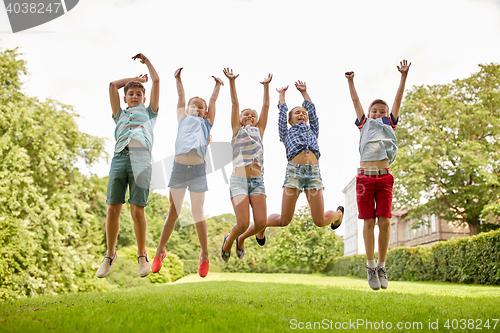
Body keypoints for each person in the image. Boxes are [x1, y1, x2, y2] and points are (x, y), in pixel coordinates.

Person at [345, 59, 411, 290]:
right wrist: (350, 81)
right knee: (368, 221)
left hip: (384, 178)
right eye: (375, 111)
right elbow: (355, 101)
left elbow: (398, 99)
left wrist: (403, 77)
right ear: (369, 113)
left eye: (382, 111)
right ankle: (370, 265)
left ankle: (382, 265)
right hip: (364, 177)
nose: (378, 113)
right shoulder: (364, 123)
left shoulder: (389, 124)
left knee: (384, 221)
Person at [151, 67, 223, 278]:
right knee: (173, 211)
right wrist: (178, 78)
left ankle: (205, 254)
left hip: (198, 170)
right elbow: (181, 96)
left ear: (205, 112)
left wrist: (217, 86)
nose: (197, 109)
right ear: (187, 109)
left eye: (201, 108)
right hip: (179, 168)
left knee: (197, 213)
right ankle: (159, 251)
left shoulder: (206, 123)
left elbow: (213, 102)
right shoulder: (182, 118)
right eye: (194, 106)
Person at [256, 81, 343, 244]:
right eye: (297, 113)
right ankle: (261, 226)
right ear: (290, 120)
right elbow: (282, 113)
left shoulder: (313, 130)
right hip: (294, 173)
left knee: (319, 221)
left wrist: (304, 93)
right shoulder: (286, 132)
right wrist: (281, 94)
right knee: (284, 220)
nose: (302, 114)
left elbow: (312, 110)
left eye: (304, 113)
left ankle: (338, 214)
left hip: (313, 174)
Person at [96, 53, 160, 278]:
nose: (134, 96)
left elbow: (158, 81)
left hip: (141, 159)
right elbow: (113, 85)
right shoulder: (119, 115)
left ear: (144, 98)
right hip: (120, 158)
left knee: (137, 211)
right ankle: (109, 254)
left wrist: (147, 66)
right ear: (125, 99)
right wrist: (134, 78)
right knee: (113, 208)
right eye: (131, 94)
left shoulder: (150, 114)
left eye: (138, 94)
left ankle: (142, 255)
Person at [220, 68, 272, 261]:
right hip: (239, 181)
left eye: (253, 115)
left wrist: (266, 87)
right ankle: (229, 240)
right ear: (240, 119)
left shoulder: (260, 130)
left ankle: (241, 239)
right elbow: (235, 103)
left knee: (260, 223)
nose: (249, 116)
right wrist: (232, 82)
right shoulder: (236, 130)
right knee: (242, 222)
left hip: (257, 181)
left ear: (257, 120)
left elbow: (266, 106)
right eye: (246, 115)